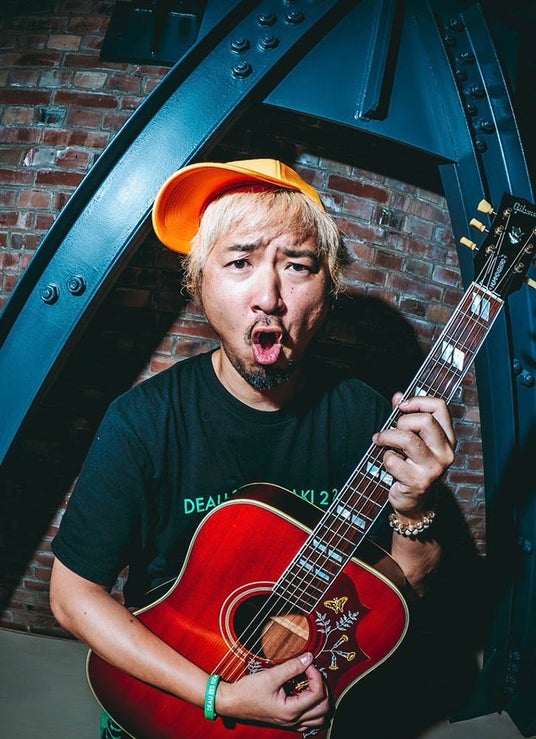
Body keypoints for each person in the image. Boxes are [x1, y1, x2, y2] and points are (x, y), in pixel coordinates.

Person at [49, 158, 456, 738]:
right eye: (240, 262)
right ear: (199, 282)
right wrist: (220, 696)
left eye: (298, 266)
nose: (270, 297)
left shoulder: (368, 419)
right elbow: (72, 597)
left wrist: (416, 509)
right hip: (165, 697)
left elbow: (405, 589)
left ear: (329, 288)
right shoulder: (143, 421)